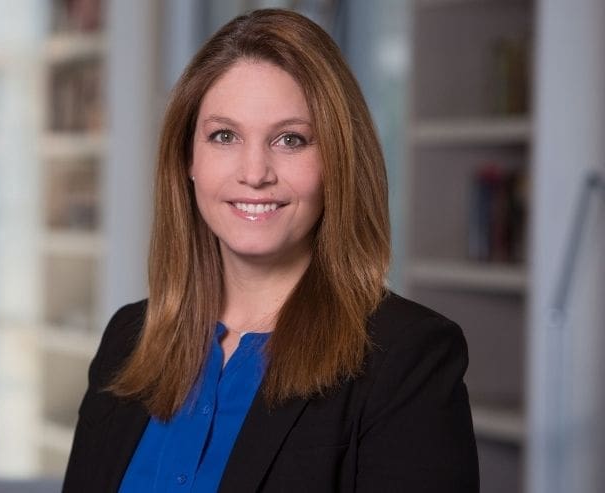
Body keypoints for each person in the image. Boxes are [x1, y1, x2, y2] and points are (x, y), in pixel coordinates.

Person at [63, 8, 478, 493]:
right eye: (224, 136)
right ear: (187, 160)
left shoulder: (408, 359)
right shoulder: (128, 340)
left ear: (337, 163)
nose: (255, 172)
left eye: (290, 139)